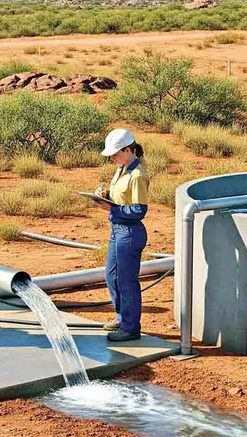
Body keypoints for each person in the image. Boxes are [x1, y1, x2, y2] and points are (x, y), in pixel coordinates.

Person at [93, 128, 149, 342]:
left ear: (128, 150)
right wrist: (104, 195)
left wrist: (110, 209)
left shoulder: (137, 175)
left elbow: (139, 210)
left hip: (130, 232)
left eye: (115, 154)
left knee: (127, 281)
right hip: (117, 230)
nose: (112, 158)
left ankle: (130, 328)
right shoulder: (121, 169)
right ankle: (122, 317)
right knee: (112, 276)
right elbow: (120, 197)